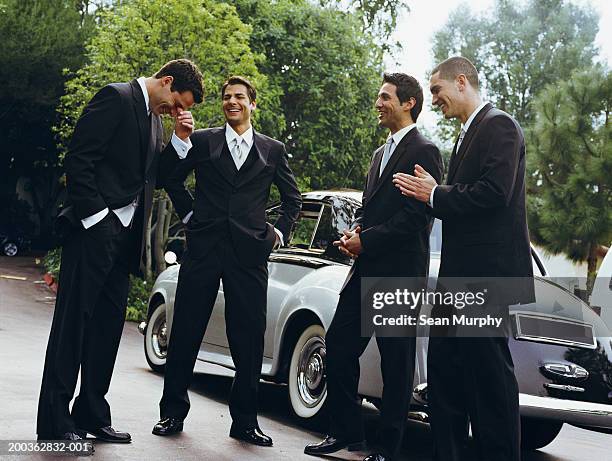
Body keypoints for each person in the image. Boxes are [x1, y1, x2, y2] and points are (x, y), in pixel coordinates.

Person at [37, 59, 204, 442]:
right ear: (166, 82)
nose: (177, 111)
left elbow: (154, 178)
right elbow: (79, 160)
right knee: (72, 329)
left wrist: (178, 140)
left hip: (123, 242)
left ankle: (92, 414)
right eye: (178, 103)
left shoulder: (156, 121)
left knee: (107, 329)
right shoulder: (115, 97)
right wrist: (97, 220)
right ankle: (55, 423)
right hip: (92, 232)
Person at [393, 56, 534, 461]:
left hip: (486, 277)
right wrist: (434, 195)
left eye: (435, 90)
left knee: (489, 379)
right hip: (458, 278)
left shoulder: (499, 126)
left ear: (460, 82)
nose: (432, 99)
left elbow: (494, 193)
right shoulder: (465, 136)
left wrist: (435, 194)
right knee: (444, 375)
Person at [152, 76, 302, 447]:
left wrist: (277, 235)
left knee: (249, 338)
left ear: (253, 104)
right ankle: (172, 412)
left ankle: (245, 421)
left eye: (239, 97)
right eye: (226, 97)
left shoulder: (273, 150)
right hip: (203, 249)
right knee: (185, 329)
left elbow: (292, 199)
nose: (231, 102)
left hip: (249, 255)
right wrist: (188, 215)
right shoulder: (201, 140)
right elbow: (167, 177)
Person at [305, 73, 443, 461]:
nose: (378, 103)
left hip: (400, 274)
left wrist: (370, 239)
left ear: (408, 103)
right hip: (364, 269)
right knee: (338, 346)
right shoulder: (379, 155)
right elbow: (372, 207)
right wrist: (355, 234)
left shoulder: (425, 150)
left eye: (385, 97)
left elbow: (418, 218)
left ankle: (388, 449)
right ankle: (346, 433)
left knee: (396, 364)